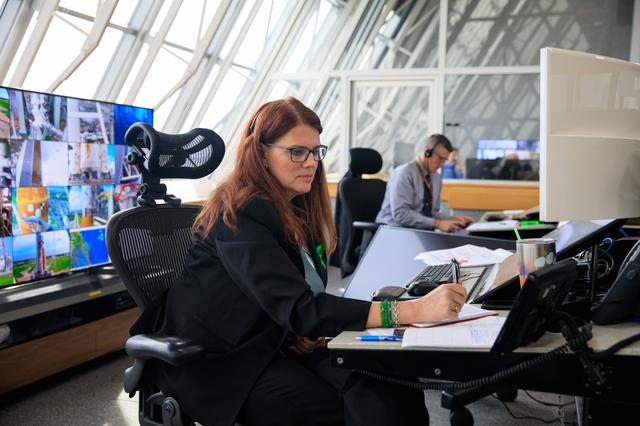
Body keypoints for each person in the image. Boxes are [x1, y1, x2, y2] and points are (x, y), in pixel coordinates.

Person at [147, 98, 468, 426]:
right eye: (297, 152)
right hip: (222, 364)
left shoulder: (294, 207)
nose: (311, 162)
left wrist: (295, 332)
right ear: (261, 153)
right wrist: (413, 311)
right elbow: (301, 308)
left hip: (275, 341)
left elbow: (286, 299)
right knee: (349, 409)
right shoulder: (241, 213)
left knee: (388, 382)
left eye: (316, 151)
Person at [376, 134, 474, 232]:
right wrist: (438, 224)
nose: (442, 164)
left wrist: (453, 219)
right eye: (440, 158)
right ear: (427, 152)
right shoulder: (404, 173)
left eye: (445, 160)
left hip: (418, 231)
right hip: (392, 230)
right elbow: (400, 214)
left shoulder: (436, 177)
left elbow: (432, 213)